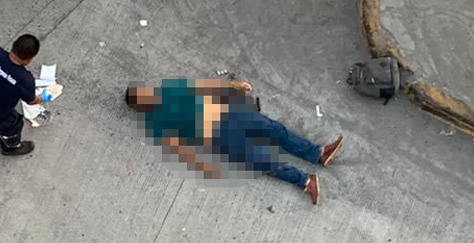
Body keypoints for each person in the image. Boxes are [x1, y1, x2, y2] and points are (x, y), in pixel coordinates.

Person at [125, 79, 344, 205]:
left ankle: (318, 154)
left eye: (145, 91)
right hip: (217, 138)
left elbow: (202, 88)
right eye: (142, 97)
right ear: (141, 106)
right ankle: (305, 181)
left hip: (227, 114)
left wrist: (234, 86)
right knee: (262, 162)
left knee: (273, 129)